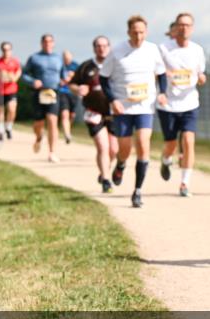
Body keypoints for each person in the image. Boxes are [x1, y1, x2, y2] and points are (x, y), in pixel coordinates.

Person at [100, 15, 167, 208]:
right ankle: (121, 164)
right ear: (128, 32)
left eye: (142, 32)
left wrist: (162, 92)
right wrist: (113, 100)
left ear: (146, 32)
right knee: (125, 148)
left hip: (145, 106)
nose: (138, 36)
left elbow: (161, 73)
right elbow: (104, 79)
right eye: (135, 32)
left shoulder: (153, 50)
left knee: (143, 144)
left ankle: (137, 191)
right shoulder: (117, 51)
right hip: (123, 107)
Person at [157, 13, 206, 197]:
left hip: (189, 103)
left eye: (187, 25)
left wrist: (201, 78)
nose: (184, 28)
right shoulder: (163, 49)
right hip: (168, 104)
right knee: (170, 144)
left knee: (188, 141)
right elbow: (154, 72)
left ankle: (185, 183)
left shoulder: (197, 50)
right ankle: (166, 159)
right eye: (180, 25)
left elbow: (200, 73)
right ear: (175, 28)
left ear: (192, 28)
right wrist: (163, 79)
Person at [69, 35, 118, 193]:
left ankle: (103, 171)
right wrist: (78, 89)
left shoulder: (116, 64)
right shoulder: (86, 67)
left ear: (109, 47)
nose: (101, 48)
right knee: (103, 147)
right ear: (94, 48)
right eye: (98, 45)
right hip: (93, 112)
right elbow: (72, 84)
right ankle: (105, 179)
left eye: (104, 45)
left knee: (114, 150)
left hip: (113, 113)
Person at [22, 34, 64, 162]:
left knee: (52, 120)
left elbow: (62, 74)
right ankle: (39, 137)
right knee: (38, 123)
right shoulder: (34, 58)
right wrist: (32, 81)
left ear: (53, 43)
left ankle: (52, 152)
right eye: (45, 41)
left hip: (53, 92)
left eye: (50, 41)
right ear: (41, 43)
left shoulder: (58, 58)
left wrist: (63, 80)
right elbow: (24, 74)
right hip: (39, 93)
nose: (47, 44)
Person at [0, 41, 22, 141]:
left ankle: (8, 127)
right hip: (0, 91)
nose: (6, 51)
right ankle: (0, 131)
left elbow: (18, 72)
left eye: (8, 49)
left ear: (11, 50)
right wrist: (0, 75)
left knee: (12, 109)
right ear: (1, 50)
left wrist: (13, 77)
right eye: (4, 50)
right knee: (0, 112)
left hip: (11, 90)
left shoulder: (15, 61)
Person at [58, 50, 80, 145]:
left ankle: (67, 130)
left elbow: (80, 78)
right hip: (62, 92)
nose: (66, 60)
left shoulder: (76, 66)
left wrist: (73, 76)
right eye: (65, 58)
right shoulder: (59, 66)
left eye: (68, 58)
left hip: (73, 93)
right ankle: (67, 135)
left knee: (72, 115)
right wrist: (61, 81)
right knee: (64, 114)